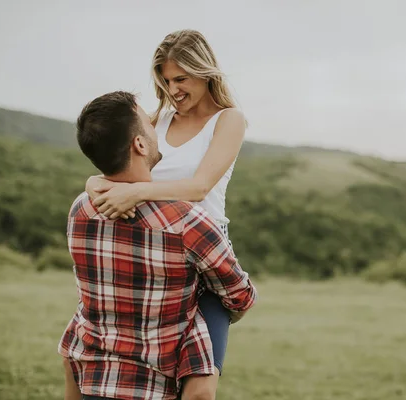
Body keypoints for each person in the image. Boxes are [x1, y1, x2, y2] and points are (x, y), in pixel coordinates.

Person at [59, 90, 257, 400]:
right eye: (149, 124)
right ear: (139, 144)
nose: (157, 128)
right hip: (153, 390)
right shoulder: (187, 223)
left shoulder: (81, 210)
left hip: (95, 385)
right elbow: (241, 297)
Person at [85, 29, 247, 397]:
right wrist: (93, 183)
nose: (173, 89)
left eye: (181, 79)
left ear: (204, 71)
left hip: (206, 259)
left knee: (201, 383)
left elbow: (199, 187)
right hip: (151, 256)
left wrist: (139, 192)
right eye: (166, 80)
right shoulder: (156, 120)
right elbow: (120, 165)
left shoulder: (229, 120)